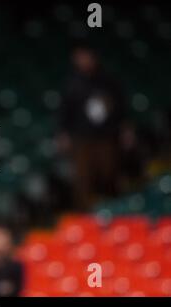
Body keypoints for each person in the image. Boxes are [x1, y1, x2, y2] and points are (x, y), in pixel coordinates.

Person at [56, 44, 131, 211]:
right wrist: (63, 134)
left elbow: (121, 106)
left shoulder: (108, 80)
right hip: (82, 138)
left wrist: (125, 128)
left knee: (109, 172)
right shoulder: (71, 84)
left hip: (107, 136)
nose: (83, 60)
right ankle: (86, 215)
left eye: (86, 56)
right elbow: (64, 111)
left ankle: (116, 209)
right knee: (83, 178)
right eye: (79, 57)